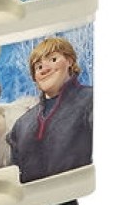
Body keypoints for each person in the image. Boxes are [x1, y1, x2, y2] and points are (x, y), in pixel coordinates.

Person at [6, 37, 93, 184]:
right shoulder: (21, 125)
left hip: (78, 191)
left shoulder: (91, 100)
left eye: (53, 60)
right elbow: (14, 176)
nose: (44, 69)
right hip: (33, 197)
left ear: (70, 61)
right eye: (38, 67)